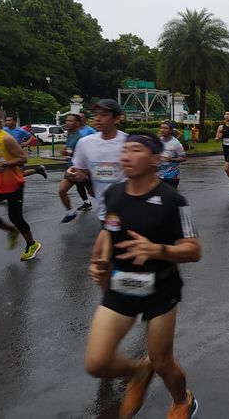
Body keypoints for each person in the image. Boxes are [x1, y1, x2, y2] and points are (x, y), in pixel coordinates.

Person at [83, 131, 201, 419]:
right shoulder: (114, 194)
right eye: (125, 150)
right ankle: (137, 372)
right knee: (97, 364)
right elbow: (108, 231)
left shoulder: (174, 200)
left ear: (154, 159)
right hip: (120, 286)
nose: (126, 155)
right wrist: (98, 260)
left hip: (160, 290)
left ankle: (183, 400)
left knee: (162, 362)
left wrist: (156, 250)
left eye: (136, 150)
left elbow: (193, 249)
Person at [0, 108, 42, 260]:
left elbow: (23, 158)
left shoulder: (6, 139)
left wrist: (5, 164)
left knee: (16, 217)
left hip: (14, 185)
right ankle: (11, 231)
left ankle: (31, 244)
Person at [67, 99, 128, 222]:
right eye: (96, 115)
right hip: (104, 212)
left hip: (129, 210)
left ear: (116, 119)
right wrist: (75, 174)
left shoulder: (129, 143)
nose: (98, 119)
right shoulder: (85, 143)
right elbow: (81, 171)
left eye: (104, 115)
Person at [59, 114, 93, 223]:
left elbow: (85, 154)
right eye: (67, 120)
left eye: (70, 121)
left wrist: (68, 152)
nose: (67, 122)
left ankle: (112, 209)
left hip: (82, 170)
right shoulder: (70, 134)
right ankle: (71, 211)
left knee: (94, 193)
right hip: (71, 169)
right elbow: (70, 149)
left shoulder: (81, 138)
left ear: (77, 123)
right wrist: (66, 152)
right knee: (62, 190)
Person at [158, 121, 186, 189]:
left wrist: (171, 159)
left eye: (165, 128)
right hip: (159, 175)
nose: (162, 130)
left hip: (171, 176)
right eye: (161, 128)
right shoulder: (158, 140)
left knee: (170, 197)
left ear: (170, 130)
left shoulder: (176, 143)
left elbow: (183, 158)